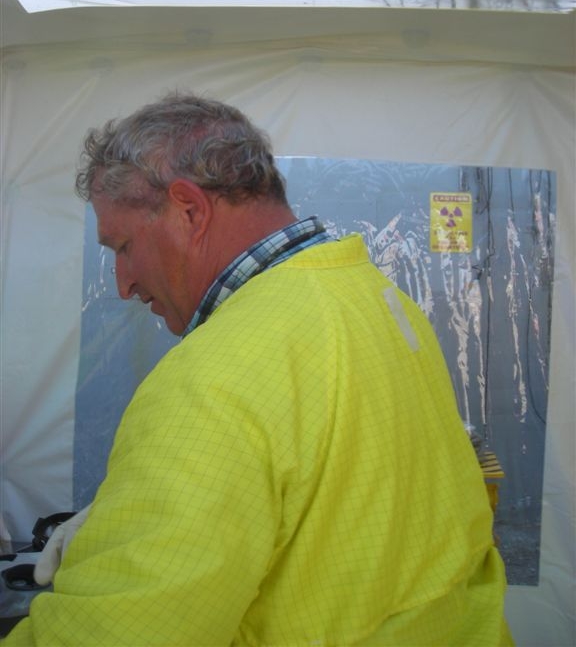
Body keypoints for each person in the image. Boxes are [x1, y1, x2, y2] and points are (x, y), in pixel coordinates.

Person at [5, 92, 513, 646]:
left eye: (123, 246)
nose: (123, 282)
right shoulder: (378, 299)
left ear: (190, 210)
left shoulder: (211, 378)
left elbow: (121, 631)